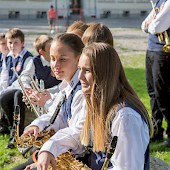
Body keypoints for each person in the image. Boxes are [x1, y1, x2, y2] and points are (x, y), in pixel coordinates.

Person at [12, 33, 85, 170]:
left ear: (79, 59)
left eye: (63, 59)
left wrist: (50, 147)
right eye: (52, 58)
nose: (55, 65)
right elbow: (56, 115)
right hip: (61, 151)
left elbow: (78, 133)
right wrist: (37, 125)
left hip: (76, 159)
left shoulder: (81, 91)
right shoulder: (67, 85)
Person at [78, 42, 153, 170]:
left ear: (103, 74)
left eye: (87, 70)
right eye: (80, 69)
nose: (80, 77)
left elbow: (128, 168)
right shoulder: (97, 103)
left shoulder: (125, 117)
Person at [141, 0, 170, 144]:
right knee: (152, 92)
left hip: (162, 53)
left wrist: (152, 25)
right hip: (151, 50)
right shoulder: (158, 1)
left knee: (162, 94)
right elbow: (144, 25)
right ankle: (156, 130)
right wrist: (151, 24)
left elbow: (157, 26)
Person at [0, 28, 33, 148]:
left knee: (13, 97)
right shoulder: (7, 57)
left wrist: (7, 90)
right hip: (9, 88)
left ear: (22, 43)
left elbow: (24, 79)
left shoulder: (28, 58)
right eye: (10, 42)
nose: (12, 46)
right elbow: (4, 76)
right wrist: (3, 88)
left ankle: (16, 133)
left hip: (21, 88)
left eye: (16, 43)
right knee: (3, 96)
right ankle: (8, 127)